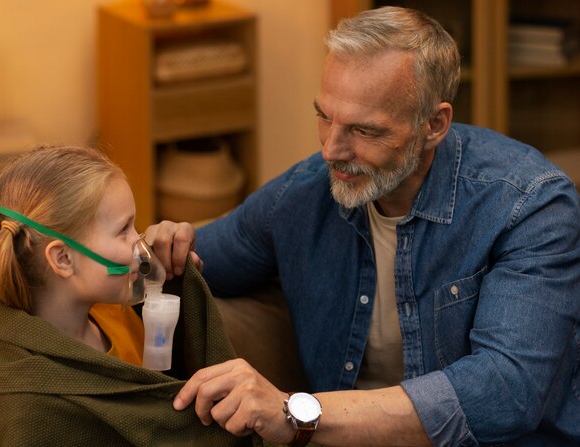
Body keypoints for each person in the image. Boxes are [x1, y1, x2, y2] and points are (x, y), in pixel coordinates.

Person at [152, 6, 580, 446]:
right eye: (324, 116)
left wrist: (298, 414)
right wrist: (152, 249)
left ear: (434, 125)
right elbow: (190, 260)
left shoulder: (530, 204)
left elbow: (507, 390)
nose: (332, 150)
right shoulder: (302, 197)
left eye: (364, 130)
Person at [0, 145, 260, 447]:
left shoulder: (116, 315)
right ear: (63, 259)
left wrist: (175, 281)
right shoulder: (26, 411)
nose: (140, 241)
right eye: (123, 229)